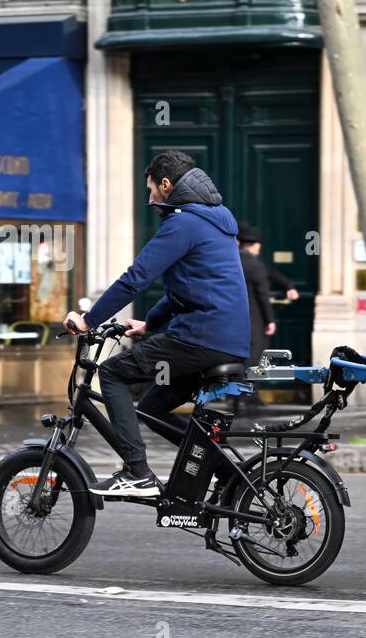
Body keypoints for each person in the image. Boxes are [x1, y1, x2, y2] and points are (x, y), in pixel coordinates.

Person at [62, 150, 250, 497]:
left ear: (166, 184)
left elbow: (136, 279)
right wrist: (149, 324)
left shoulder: (183, 222)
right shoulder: (213, 218)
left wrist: (88, 320)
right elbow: (189, 287)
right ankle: (228, 474)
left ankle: (137, 472)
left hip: (201, 337)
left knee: (112, 374)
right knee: (151, 408)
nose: (149, 198)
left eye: (151, 189)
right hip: (223, 339)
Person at [236, 222, 279, 365]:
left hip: (227, 322)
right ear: (253, 245)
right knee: (252, 366)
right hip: (253, 323)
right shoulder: (255, 265)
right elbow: (262, 295)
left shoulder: (227, 262)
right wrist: (270, 320)